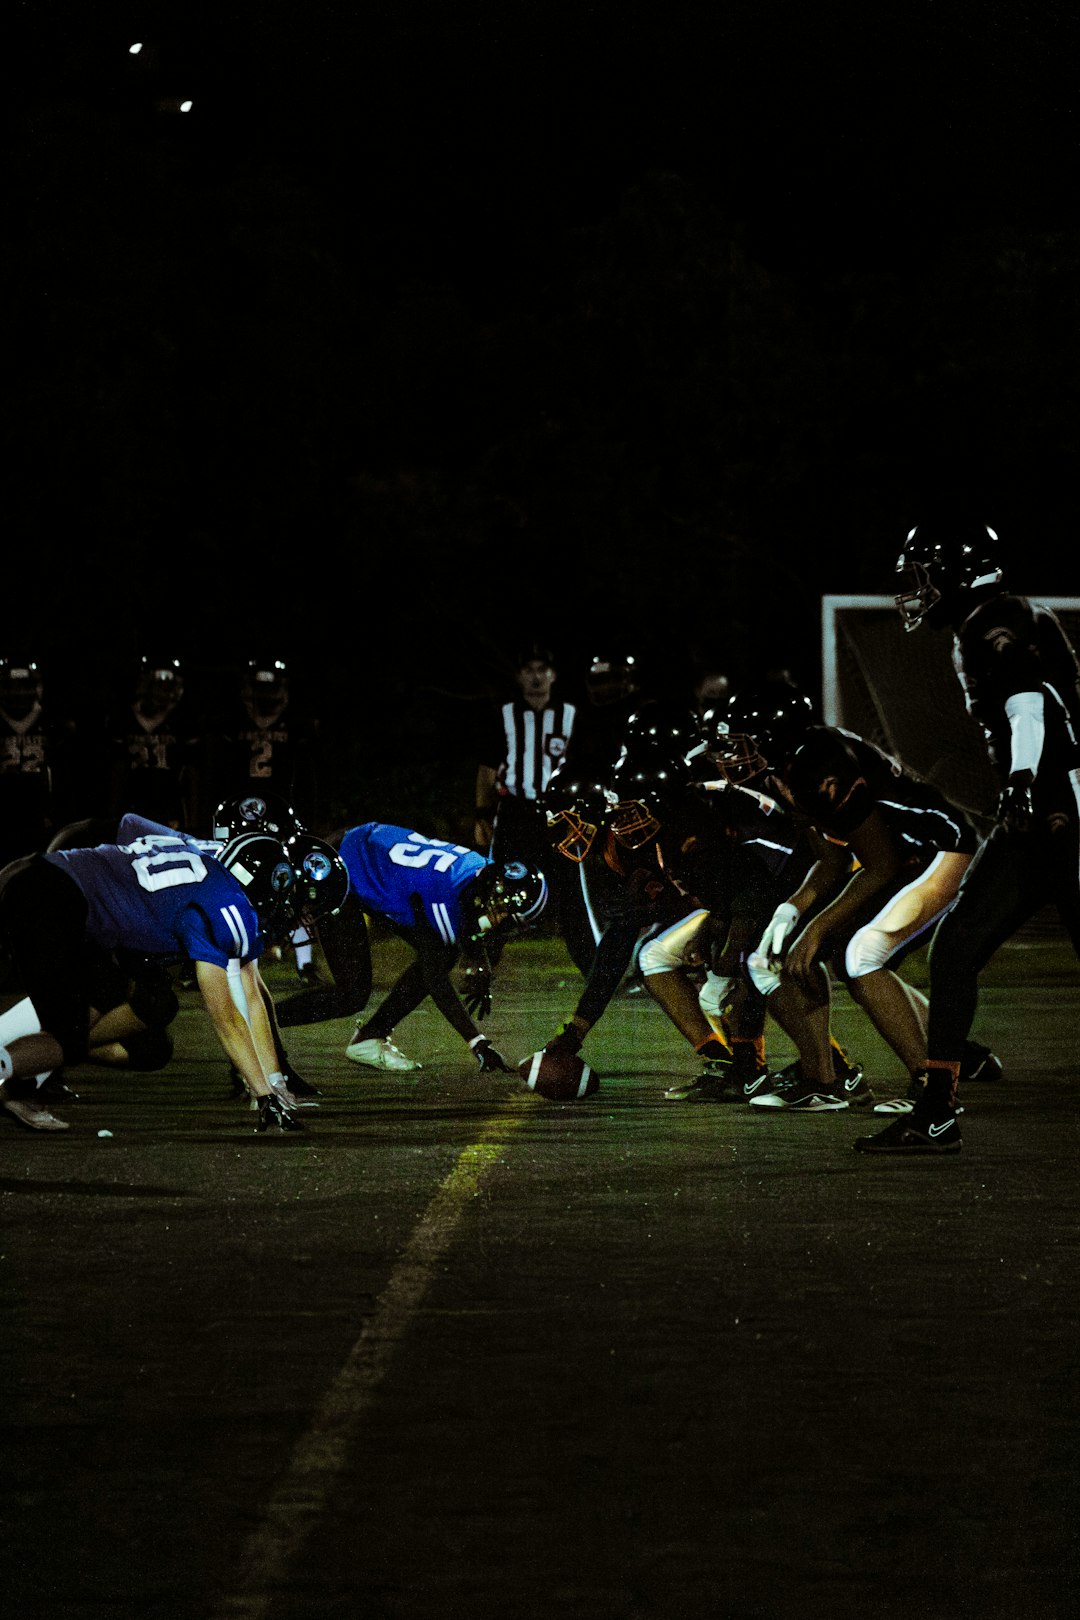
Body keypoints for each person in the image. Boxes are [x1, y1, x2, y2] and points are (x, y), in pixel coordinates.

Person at [854, 518, 1080, 1154]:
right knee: (953, 949)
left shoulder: (994, 619)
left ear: (954, 573)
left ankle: (936, 1110)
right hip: (1041, 812)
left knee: (955, 948)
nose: (915, 591)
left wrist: (1023, 777)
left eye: (923, 577)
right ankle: (936, 1110)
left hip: (1061, 805)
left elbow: (1028, 703)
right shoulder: (993, 618)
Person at [707, 680, 995, 1115]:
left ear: (774, 735)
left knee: (860, 956)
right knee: (770, 958)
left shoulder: (820, 762)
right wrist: (793, 911)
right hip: (907, 859)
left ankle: (932, 1086)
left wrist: (817, 929)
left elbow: (882, 862)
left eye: (743, 742)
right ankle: (825, 1077)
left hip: (941, 850)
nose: (733, 755)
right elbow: (832, 859)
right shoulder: (785, 770)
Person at [0, 812, 315, 1135]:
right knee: (68, 1037)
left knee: (134, 1005)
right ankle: (13, 1076)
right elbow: (226, 1013)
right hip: (54, 899)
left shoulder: (211, 855)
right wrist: (264, 1093)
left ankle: (18, 1082)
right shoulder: (225, 905)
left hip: (48, 884)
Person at [274, 822, 548, 1075]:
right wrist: (476, 1042)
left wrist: (483, 966)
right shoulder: (444, 892)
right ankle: (263, 1026)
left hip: (379, 863)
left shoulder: (482, 871)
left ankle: (371, 1037)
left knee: (444, 951)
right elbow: (435, 977)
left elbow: (474, 925)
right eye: (499, 911)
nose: (498, 921)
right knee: (352, 994)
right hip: (345, 868)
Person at [472, 642, 596, 977]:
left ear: (553, 675)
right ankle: (482, 965)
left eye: (542, 670)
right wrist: (482, 816)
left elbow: (586, 768)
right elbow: (487, 768)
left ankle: (595, 970)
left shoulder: (571, 715)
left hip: (560, 815)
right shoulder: (505, 715)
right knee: (499, 887)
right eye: (529, 670)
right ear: (519, 676)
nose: (536, 677)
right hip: (516, 813)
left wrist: (583, 815)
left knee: (572, 894)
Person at [204, 657, 322, 982]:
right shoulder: (230, 721)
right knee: (230, 879)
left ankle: (305, 959)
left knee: (294, 880)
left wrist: (306, 820)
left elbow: (308, 776)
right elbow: (217, 772)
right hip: (241, 813)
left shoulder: (296, 723)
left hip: (282, 812)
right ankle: (216, 955)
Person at [105, 655, 202, 831]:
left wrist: (192, 822)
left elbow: (191, 773)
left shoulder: (183, 720)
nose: (162, 691)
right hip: (133, 801)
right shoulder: (123, 718)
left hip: (169, 802)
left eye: (167, 686)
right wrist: (112, 814)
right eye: (158, 685)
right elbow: (116, 771)